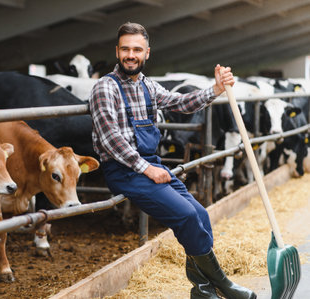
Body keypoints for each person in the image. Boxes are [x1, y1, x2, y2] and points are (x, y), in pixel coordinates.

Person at [89, 22, 256, 299]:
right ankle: (222, 285)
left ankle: (203, 289)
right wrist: (148, 169)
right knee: (187, 215)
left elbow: (181, 103)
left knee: (201, 215)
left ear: (147, 53)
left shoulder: (147, 86)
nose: (131, 55)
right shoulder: (105, 88)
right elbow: (110, 140)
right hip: (124, 171)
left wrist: (214, 89)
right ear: (117, 51)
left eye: (137, 49)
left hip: (152, 164)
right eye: (126, 49)